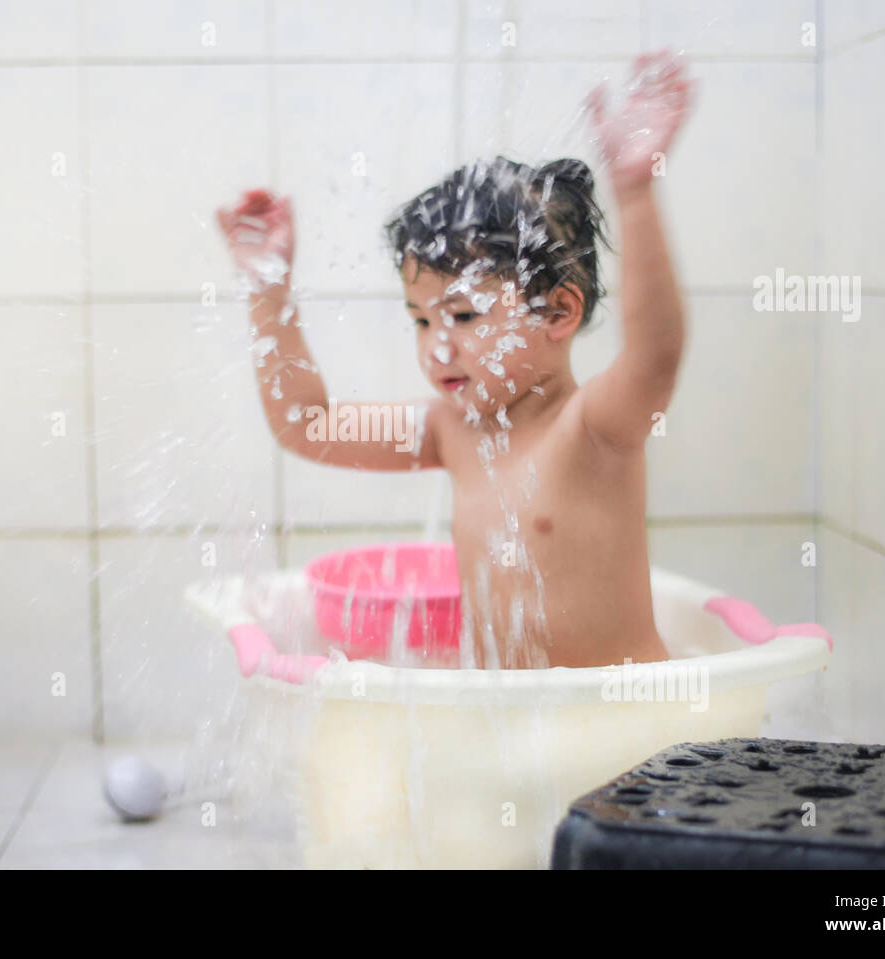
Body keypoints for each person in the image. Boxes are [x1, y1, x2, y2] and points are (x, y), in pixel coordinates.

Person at [216, 51, 695, 669]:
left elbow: (656, 356)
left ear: (557, 314)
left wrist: (635, 192)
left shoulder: (594, 430)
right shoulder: (450, 430)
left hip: (622, 725)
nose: (436, 347)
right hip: (521, 733)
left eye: (464, 317)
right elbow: (305, 426)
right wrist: (269, 290)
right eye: (421, 320)